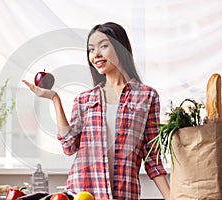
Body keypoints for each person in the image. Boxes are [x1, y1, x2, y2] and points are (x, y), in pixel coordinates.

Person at [23, 22, 170, 200]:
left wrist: (171, 197)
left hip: (123, 195)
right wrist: (55, 99)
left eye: (103, 46)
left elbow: (152, 158)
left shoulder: (147, 97)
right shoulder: (84, 100)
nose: (96, 54)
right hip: (82, 194)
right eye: (91, 49)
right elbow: (69, 147)